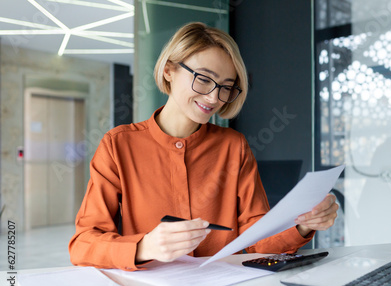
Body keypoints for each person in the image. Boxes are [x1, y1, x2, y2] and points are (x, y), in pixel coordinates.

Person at [68, 22, 339, 271]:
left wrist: (304, 225)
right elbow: (82, 244)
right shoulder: (118, 145)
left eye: (225, 87)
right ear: (169, 70)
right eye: (204, 78)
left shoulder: (234, 147)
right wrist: (145, 246)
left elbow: (257, 241)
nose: (214, 97)